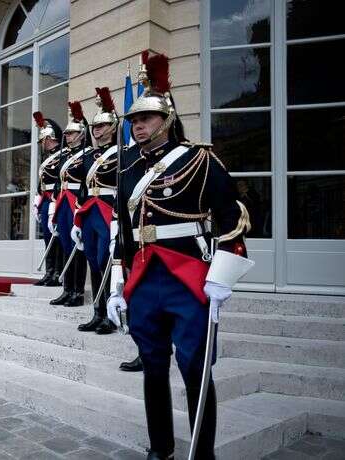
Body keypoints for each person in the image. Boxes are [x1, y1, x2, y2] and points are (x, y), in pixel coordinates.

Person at [107, 51, 254, 459]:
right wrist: (119, 284)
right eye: (133, 120)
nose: (137, 126)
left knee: (194, 370)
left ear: (167, 120)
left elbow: (233, 220)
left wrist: (222, 276)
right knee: (153, 368)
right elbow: (125, 234)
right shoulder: (128, 171)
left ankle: (201, 453)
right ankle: (161, 448)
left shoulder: (200, 160)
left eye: (146, 119)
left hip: (190, 279)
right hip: (144, 280)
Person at [72, 87, 118, 334]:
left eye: (101, 126)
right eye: (95, 127)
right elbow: (82, 186)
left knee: (105, 260)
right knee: (92, 258)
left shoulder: (121, 152)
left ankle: (111, 315)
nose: (96, 130)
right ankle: (97, 312)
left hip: (109, 210)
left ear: (112, 127)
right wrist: (77, 217)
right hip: (89, 210)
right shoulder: (88, 155)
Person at [49, 101, 90, 307]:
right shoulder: (65, 155)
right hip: (63, 201)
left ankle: (78, 291)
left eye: (72, 133)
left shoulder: (87, 154)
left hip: (76, 201)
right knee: (66, 245)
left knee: (78, 247)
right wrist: (52, 205)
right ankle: (67, 288)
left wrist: (80, 205)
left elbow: (86, 182)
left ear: (82, 134)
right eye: (66, 133)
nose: (67, 136)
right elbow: (58, 181)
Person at [32, 111, 64, 287]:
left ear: (49, 138)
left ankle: (58, 272)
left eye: (42, 140)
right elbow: (42, 181)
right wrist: (38, 198)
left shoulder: (62, 155)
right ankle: (49, 271)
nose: (41, 144)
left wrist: (54, 200)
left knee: (57, 237)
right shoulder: (47, 158)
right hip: (45, 200)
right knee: (47, 236)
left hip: (56, 199)